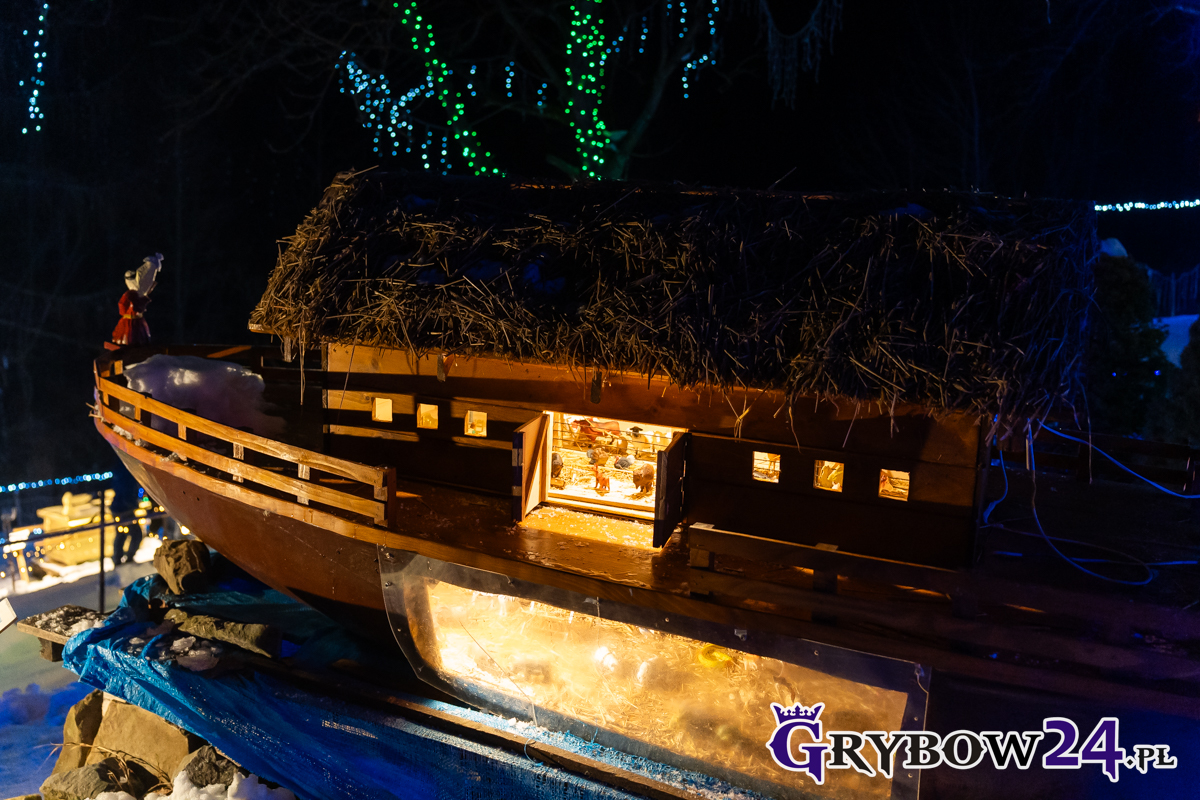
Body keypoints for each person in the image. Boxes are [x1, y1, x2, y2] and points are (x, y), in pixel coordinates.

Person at [111, 253, 162, 346]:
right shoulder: (137, 293)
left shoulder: (130, 294)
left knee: (133, 336)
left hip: (131, 321)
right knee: (133, 336)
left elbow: (122, 307)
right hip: (134, 320)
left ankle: (134, 346)